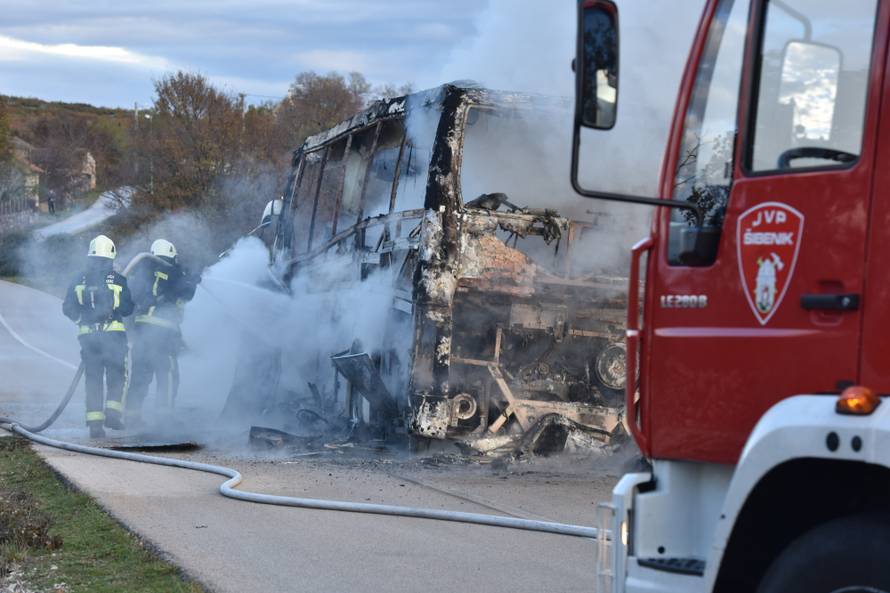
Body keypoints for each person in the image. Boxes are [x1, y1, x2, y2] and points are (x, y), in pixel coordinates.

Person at [62, 234, 134, 438]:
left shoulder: (79, 279)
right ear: (111, 256)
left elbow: (67, 307)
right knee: (118, 374)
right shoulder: (119, 280)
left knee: (93, 379)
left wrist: (81, 321)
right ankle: (112, 413)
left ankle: (95, 424)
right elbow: (128, 309)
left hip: (88, 337)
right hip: (113, 335)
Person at [126, 239, 198, 426]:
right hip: (164, 333)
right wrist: (192, 278)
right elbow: (187, 292)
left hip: (142, 330)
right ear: (172, 256)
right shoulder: (175, 273)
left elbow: (131, 296)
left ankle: (132, 415)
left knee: (140, 373)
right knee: (167, 373)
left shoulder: (142, 271)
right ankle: (164, 417)